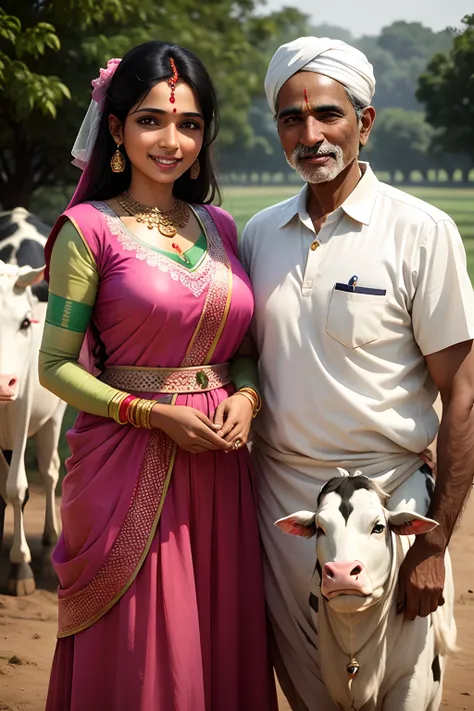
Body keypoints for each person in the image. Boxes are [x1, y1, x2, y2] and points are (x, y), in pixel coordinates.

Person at [39, 41, 277, 711]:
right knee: (147, 653)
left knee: (217, 637)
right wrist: (153, 414)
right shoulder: (88, 232)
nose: (171, 140)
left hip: (221, 469)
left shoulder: (221, 226)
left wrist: (250, 394)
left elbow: (243, 346)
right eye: (150, 120)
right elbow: (54, 365)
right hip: (129, 459)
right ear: (115, 128)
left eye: (190, 124)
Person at [238, 36, 474, 711]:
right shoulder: (257, 236)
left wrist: (431, 542)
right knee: (314, 698)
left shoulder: (420, 231)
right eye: (291, 118)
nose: (310, 134)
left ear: (364, 122)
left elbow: (464, 393)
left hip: (390, 513)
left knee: (402, 695)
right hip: (286, 517)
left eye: (328, 115)